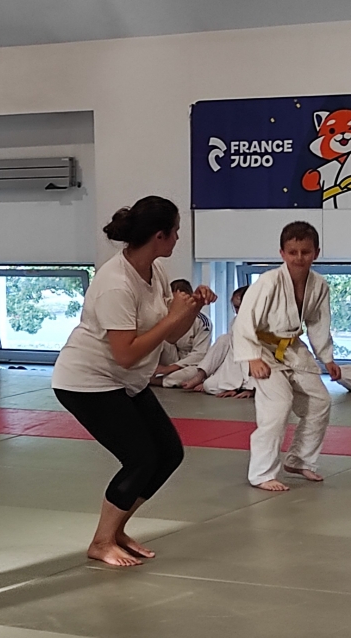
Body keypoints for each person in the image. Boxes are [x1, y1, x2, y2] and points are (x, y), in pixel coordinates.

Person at [52, 197, 213, 567]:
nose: (177, 238)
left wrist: (192, 310)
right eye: (175, 232)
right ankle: (101, 541)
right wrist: (172, 318)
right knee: (140, 458)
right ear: (159, 236)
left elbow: (171, 336)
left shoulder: (155, 271)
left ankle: (116, 529)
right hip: (86, 381)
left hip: (125, 380)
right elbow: (125, 352)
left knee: (169, 453)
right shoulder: (115, 284)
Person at [234, 221, 339, 493]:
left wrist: (327, 357)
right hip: (261, 348)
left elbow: (318, 323)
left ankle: (300, 459)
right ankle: (261, 473)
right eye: (293, 252)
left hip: (291, 347)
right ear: (282, 253)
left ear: (316, 252)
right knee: (278, 404)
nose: (299, 258)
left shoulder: (319, 285)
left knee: (320, 400)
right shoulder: (268, 282)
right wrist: (252, 357)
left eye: (305, 252)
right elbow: (244, 321)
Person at [179, 286, 255, 398]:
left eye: (240, 307)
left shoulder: (260, 324)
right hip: (234, 364)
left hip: (251, 370)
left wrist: (250, 388)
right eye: (236, 307)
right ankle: (201, 375)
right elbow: (227, 357)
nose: (238, 311)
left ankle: (240, 387)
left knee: (209, 386)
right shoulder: (236, 322)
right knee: (209, 385)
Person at [153, 279, 212, 388]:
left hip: (190, 364)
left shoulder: (203, 321)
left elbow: (200, 354)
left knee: (194, 373)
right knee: (157, 336)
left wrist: (172, 368)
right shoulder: (165, 317)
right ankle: (153, 376)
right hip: (169, 359)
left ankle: (155, 381)